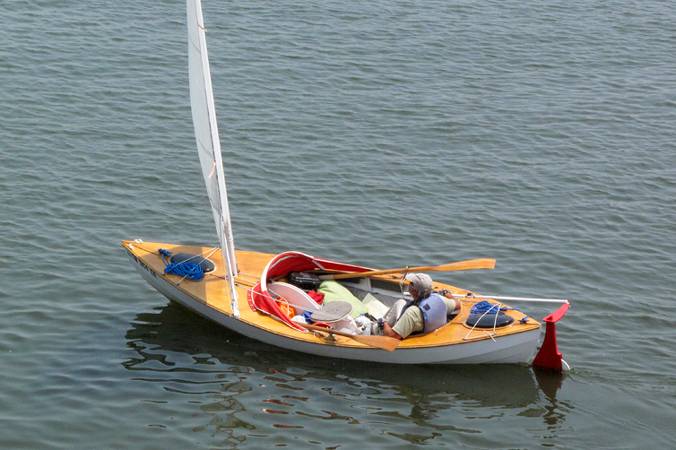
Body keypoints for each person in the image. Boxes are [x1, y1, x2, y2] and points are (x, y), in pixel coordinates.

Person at [379, 273, 459, 340]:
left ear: (414, 291)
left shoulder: (412, 312)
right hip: (430, 332)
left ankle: (377, 326)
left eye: (410, 284)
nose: (408, 285)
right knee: (401, 302)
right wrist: (448, 294)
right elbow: (457, 304)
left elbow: (392, 336)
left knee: (376, 324)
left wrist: (383, 323)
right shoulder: (441, 299)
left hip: (401, 335)